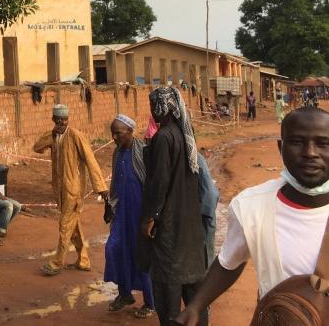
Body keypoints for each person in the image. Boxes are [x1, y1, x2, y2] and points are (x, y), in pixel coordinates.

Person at [175, 106, 329, 325]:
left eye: (323, 144)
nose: (310, 152)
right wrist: (196, 305)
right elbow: (230, 261)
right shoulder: (251, 207)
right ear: (280, 147)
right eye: (297, 142)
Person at [140, 87, 207, 326]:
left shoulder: (164, 137)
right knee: (194, 289)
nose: (152, 111)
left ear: (163, 107)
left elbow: (159, 183)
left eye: (153, 106)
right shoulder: (184, 135)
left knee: (168, 288)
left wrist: (151, 217)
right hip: (190, 225)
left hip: (170, 226)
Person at [33, 104, 108, 275]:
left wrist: (101, 187)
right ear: (53, 119)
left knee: (65, 224)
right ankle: (83, 260)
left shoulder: (76, 136)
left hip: (73, 190)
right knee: (73, 225)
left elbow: (91, 160)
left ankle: (57, 262)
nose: (61, 123)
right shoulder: (53, 136)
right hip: (59, 189)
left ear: (68, 119)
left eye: (64, 120)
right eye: (58, 120)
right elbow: (36, 147)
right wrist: (51, 135)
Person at [103, 114, 155, 319]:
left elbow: (151, 185)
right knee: (115, 248)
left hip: (139, 214)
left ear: (130, 132)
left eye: (118, 133)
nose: (114, 137)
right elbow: (115, 184)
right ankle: (125, 294)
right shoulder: (117, 154)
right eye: (112, 133)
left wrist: (150, 216)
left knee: (141, 256)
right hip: (122, 214)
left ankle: (151, 302)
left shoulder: (143, 152)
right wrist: (110, 206)